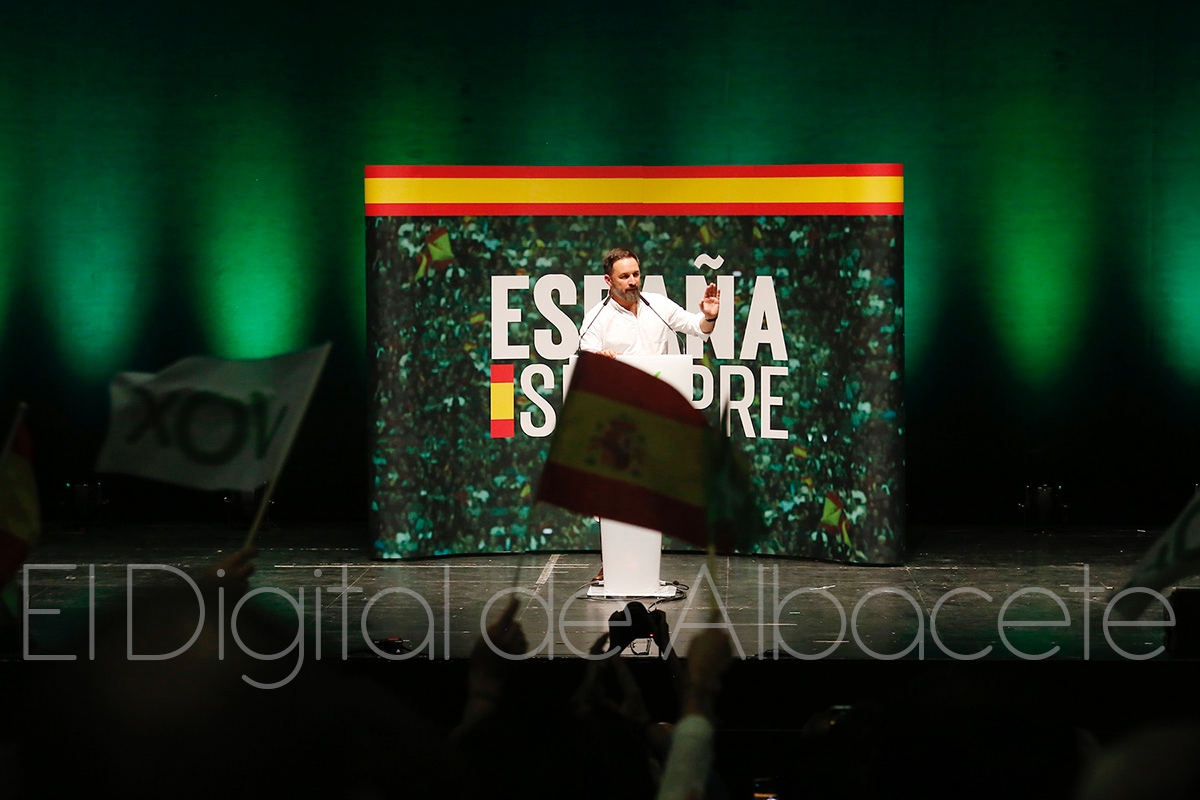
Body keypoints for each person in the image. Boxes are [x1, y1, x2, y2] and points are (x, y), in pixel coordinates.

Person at [579, 247, 721, 357]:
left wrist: (710, 317)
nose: (633, 282)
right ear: (608, 280)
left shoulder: (658, 304)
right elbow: (587, 362)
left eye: (636, 274)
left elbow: (697, 326)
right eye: (624, 277)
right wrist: (601, 358)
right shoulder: (596, 318)